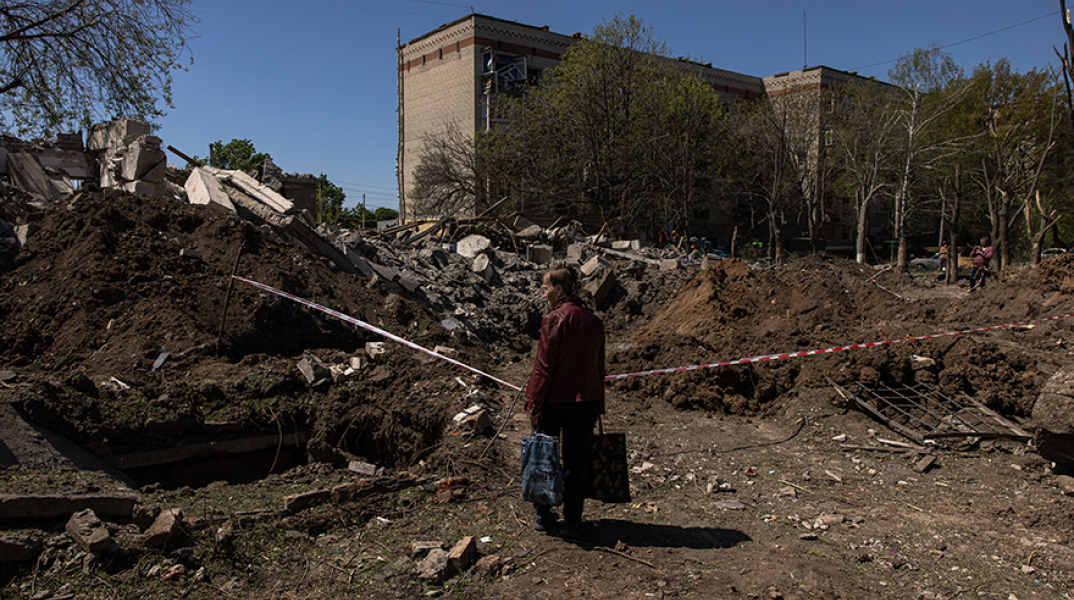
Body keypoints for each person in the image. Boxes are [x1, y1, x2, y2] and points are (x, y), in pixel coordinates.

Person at [525, 263, 605, 537]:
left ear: (559, 290)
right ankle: (573, 521)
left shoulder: (552, 320)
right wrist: (600, 402)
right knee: (576, 462)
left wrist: (534, 402)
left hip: (554, 404)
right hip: (586, 403)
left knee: (545, 459)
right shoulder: (594, 322)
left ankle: (543, 515)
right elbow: (599, 368)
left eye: (546, 288)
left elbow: (543, 368)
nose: (543, 293)